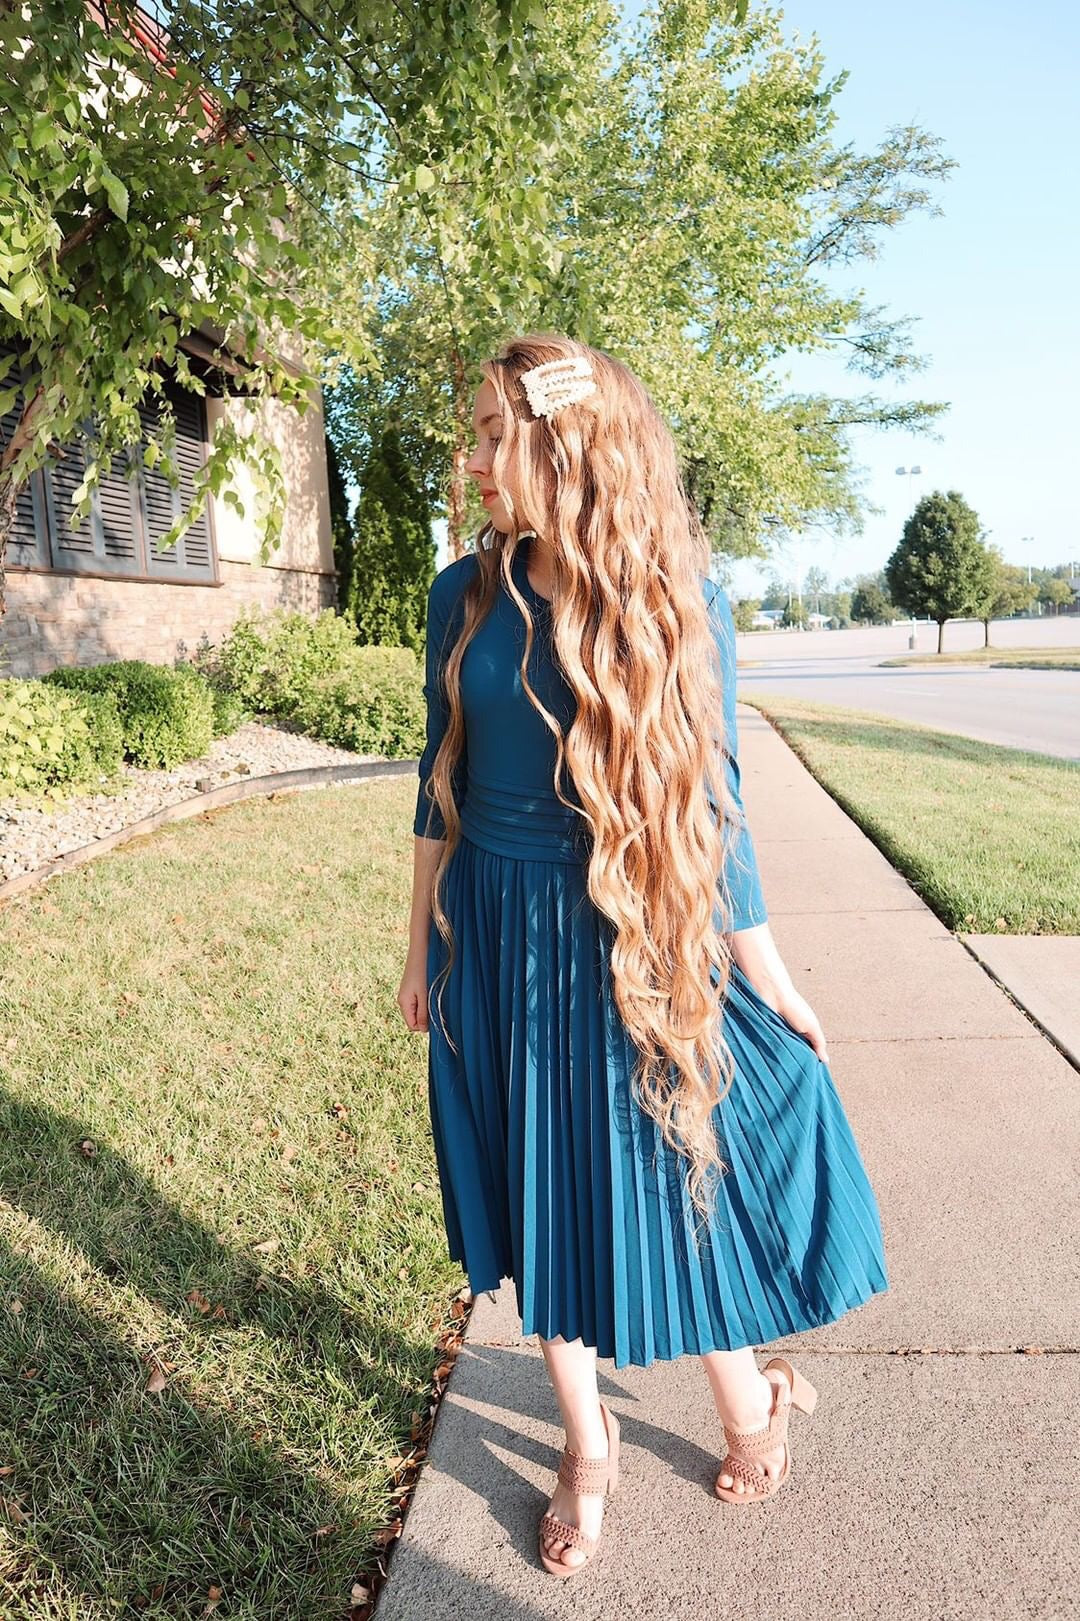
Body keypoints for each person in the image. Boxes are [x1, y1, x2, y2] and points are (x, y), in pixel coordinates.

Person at [397, 333, 889, 1578]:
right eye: (475, 432)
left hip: (626, 939)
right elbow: (436, 790)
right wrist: (418, 950)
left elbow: (717, 809)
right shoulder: (464, 594)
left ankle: (752, 1399)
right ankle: (586, 1447)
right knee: (539, 1195)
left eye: (495, 433)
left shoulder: (678, 601)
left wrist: (769, 974)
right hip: (492, 933)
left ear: (566, 447)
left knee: (673, 1182)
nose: (473, 459)